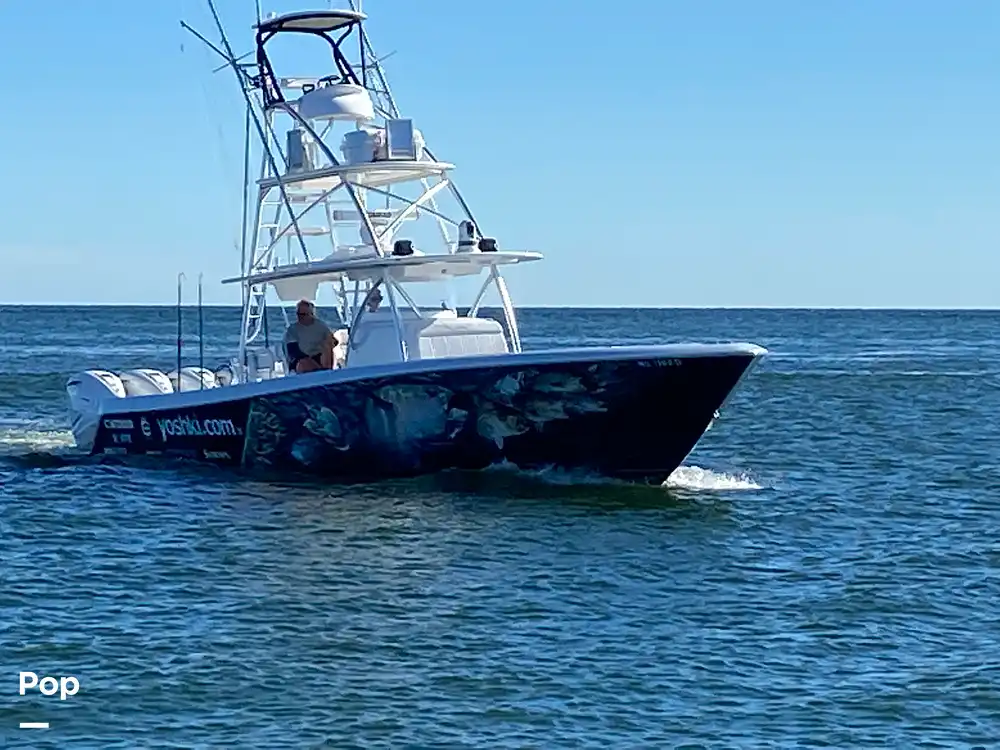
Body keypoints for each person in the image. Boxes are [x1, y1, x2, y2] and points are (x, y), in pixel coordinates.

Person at [284, 299, 334, 373]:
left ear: (311, 314)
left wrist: (326, 345)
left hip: (318, 356)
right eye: (298, 314)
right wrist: (310, 360)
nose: (300, 317)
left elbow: (333, 341)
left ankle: (327, 373)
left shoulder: (321, 326)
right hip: (300, 359)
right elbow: (293, 351)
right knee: (303, 363)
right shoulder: (292, 330)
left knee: (327, 348)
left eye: (303, 314)